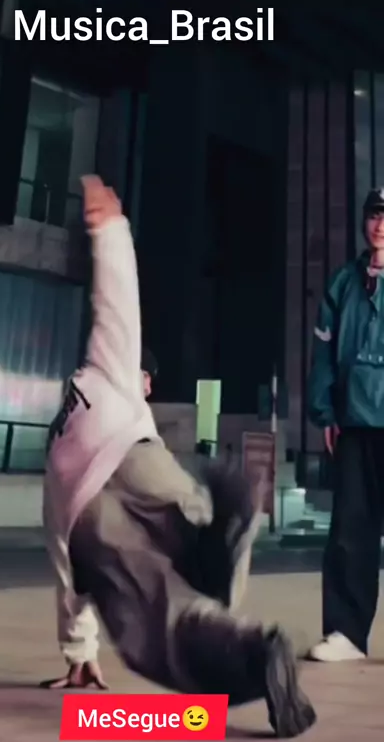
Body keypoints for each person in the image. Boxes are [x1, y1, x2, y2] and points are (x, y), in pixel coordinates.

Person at [42, 175, 316, 738]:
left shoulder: (70, 413)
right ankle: (217, 536)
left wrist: (80, 649)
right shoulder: (112, 374)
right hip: (137, 456)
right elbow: (117, 307)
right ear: (143, 379)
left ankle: (248, 646)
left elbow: (63, 564)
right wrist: (111, 230)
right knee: (194, 533)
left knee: (156, 627)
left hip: (83, 513)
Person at [308, 188, 384, 662]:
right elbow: (323, 355)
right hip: (354, 421)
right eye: (375, 215)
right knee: (351, 529)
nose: (381, 225)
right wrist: (325, 411)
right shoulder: (343, 283)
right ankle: (346, 633)